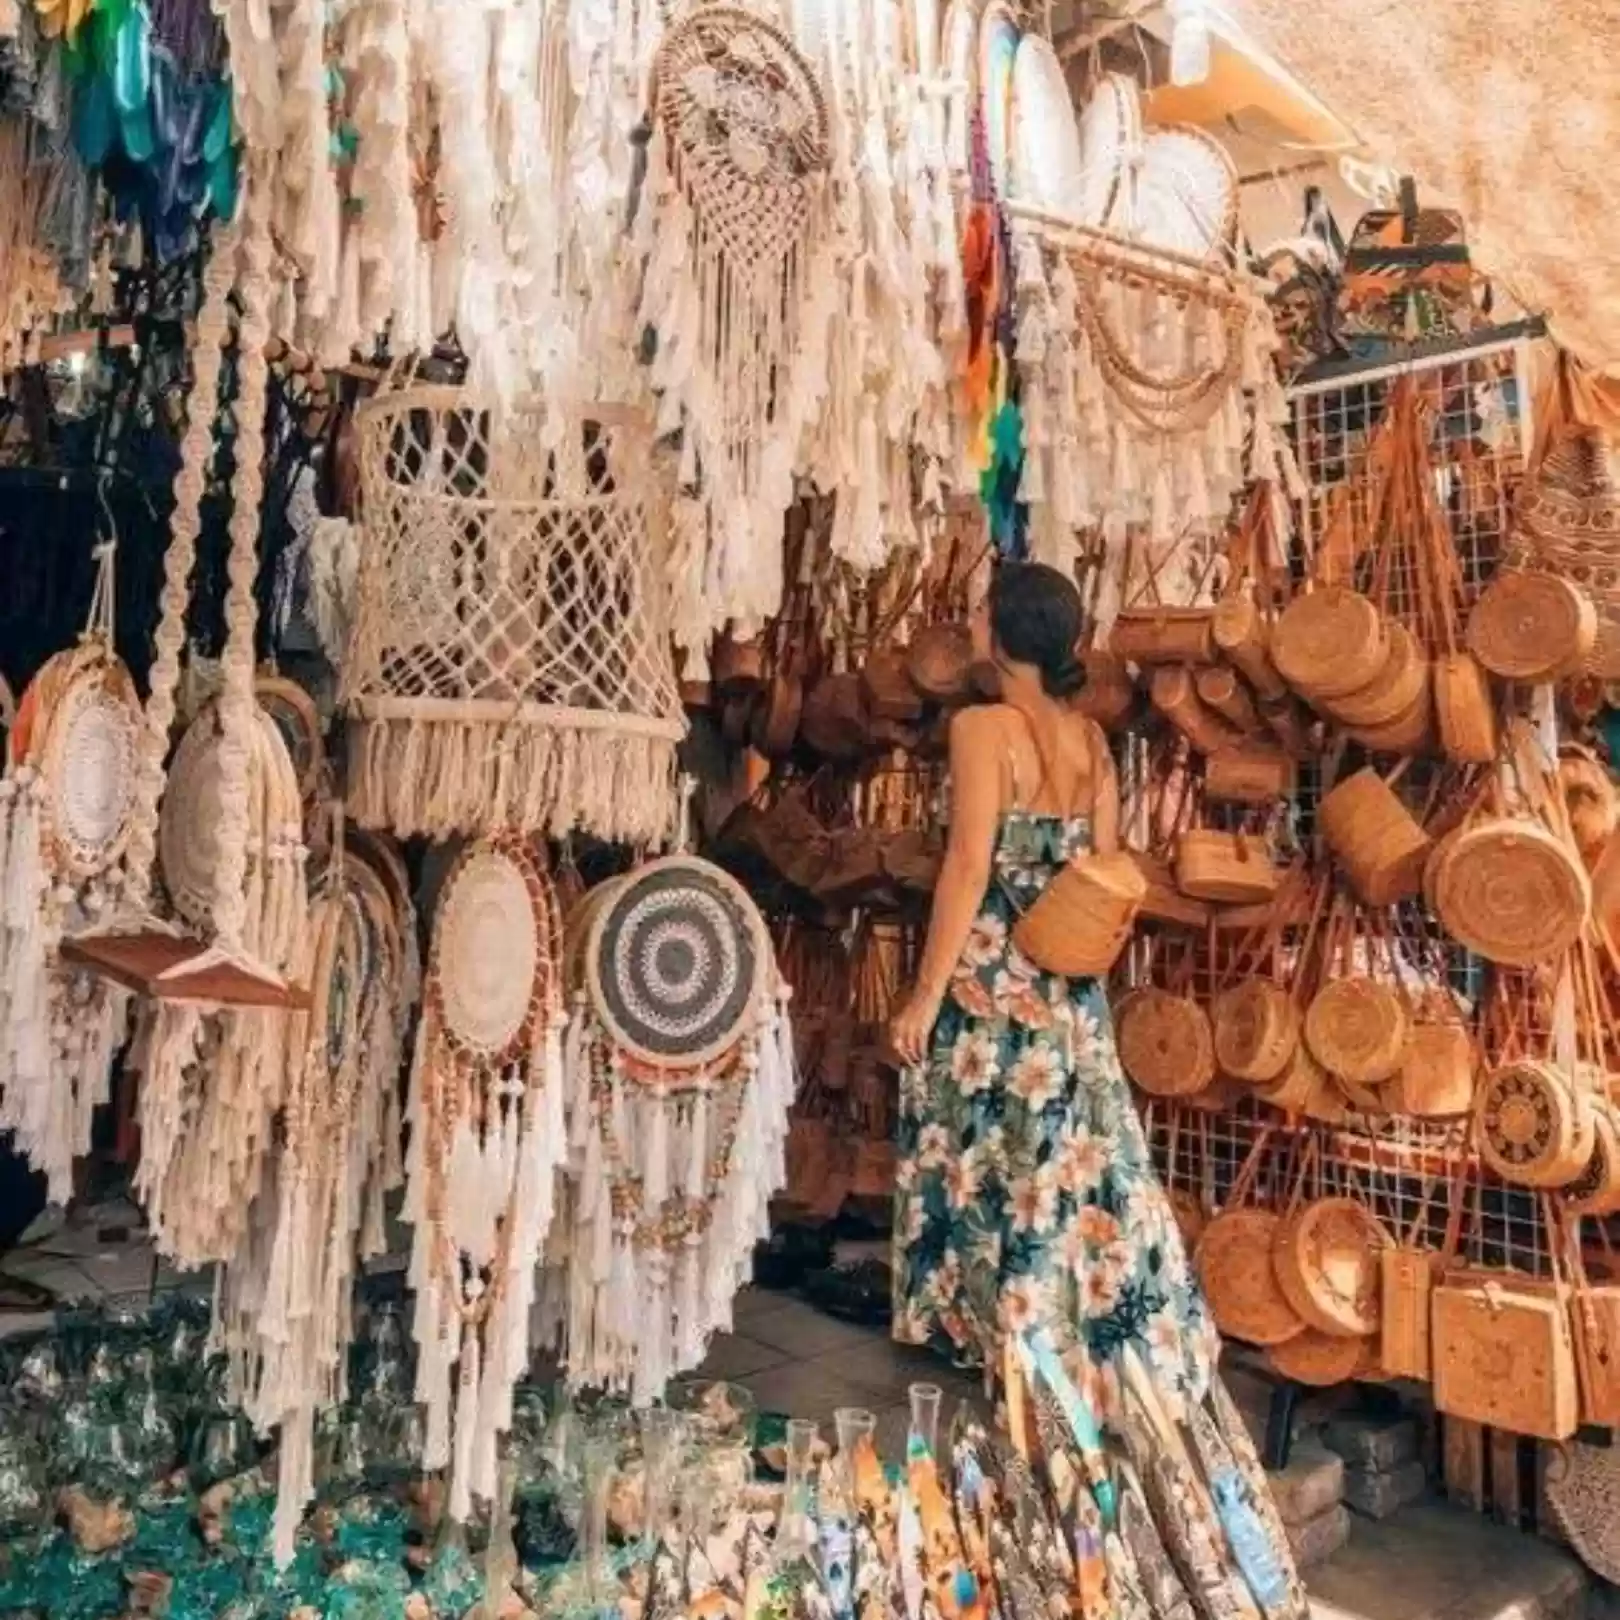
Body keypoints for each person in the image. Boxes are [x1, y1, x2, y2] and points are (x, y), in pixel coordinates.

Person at [888, 562, 1304, 1611]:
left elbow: (968, 866)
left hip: (989, 986)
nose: (971, 620)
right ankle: (1089, 1355)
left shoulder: (982, 730)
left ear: (1010, 631)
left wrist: (924, 997)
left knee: (994, 1168)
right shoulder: (1092, 743)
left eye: (982, 609)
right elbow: (1110, 872)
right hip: (1065, 988)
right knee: (1074, 1173)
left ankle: (1019, 1359)